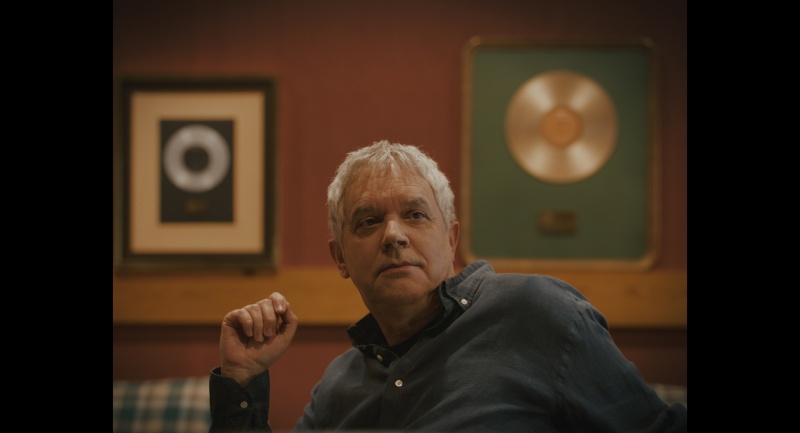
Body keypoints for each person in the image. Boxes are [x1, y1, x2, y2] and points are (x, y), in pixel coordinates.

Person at [208, 140, 687, 432]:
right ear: (340, 259)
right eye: (368, 221)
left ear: (451, 239)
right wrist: (241, 381)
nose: (393, 235)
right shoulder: (338, 385)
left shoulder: (538, 313)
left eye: (415, 214)